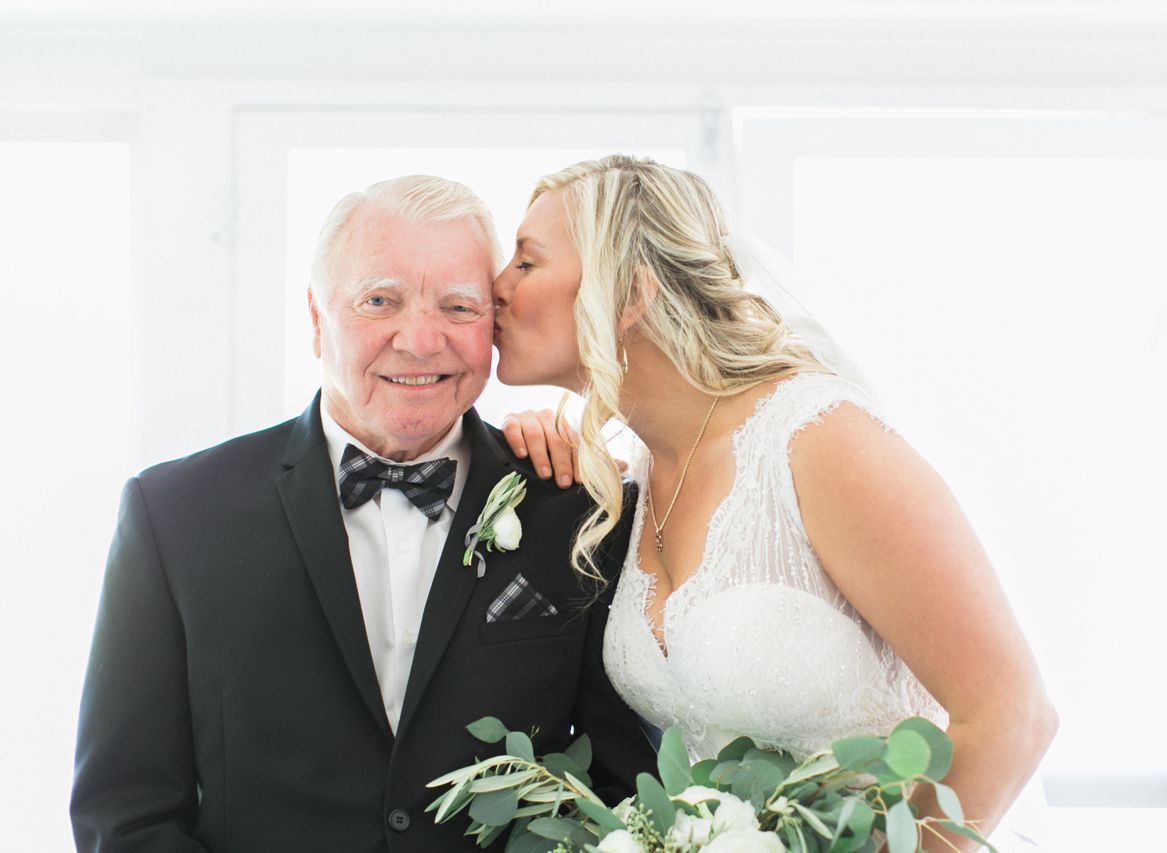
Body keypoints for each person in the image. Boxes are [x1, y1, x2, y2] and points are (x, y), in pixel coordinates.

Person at [70, 175, 655, 853]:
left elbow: (622, 792)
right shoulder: (175, 514)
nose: (422, 340)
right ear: (317, 319)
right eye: (381, 301)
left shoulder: (579, 511)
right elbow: (124, 811)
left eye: (459, 306)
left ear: (492, 326)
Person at [494, 155, 1058, 851]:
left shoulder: (817, 441)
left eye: (526, 262)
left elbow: (1012, 716)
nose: (495, 286)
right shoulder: (639, 480)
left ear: (630, 293)